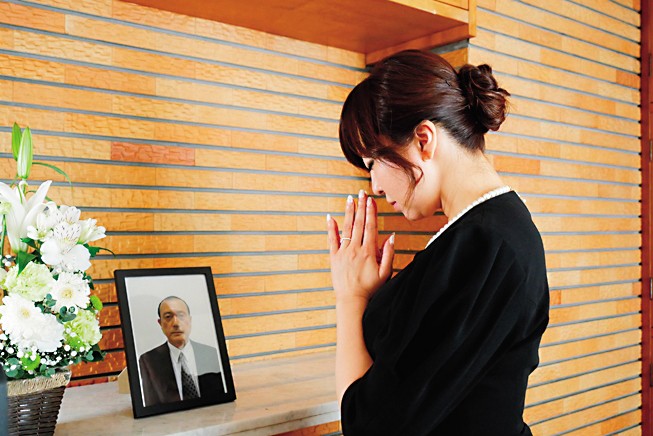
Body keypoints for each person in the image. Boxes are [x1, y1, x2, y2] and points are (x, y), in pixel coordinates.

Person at [326, 49, 549, 435]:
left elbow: (370, 428)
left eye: (373, 163)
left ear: (423, 140)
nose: (375, 186)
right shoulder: (486, 232)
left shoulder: (483, 246)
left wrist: (350, 298)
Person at [138, 296, 225, 407]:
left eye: (181, 315)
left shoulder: (211, 354)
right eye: (168, 317)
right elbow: (152, 404)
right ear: (160, 323)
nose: (176, 323)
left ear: (190, 320)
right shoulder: (148, 361)